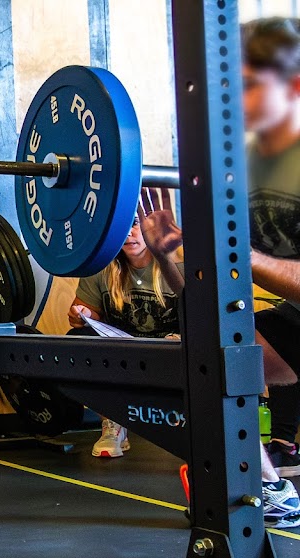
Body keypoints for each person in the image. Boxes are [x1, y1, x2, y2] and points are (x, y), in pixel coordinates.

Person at [141, 17, 300, 528]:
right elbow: (203, 306)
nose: (232, 99)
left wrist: (241, 255)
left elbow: (245, 259)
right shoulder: (239, 170)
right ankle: (267, 486)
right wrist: (168, 255)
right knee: (207, 354)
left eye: (248, 85)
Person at [67, 189, 184, 457]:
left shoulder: (182, 263)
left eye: (136, 224)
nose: (129, 233)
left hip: (170, 350)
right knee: (79, 339)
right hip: (123, 352)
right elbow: (84, 316)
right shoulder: (102, 265)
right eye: (122, 226)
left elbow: (205, 320)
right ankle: (113, 423)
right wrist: (82, 315)